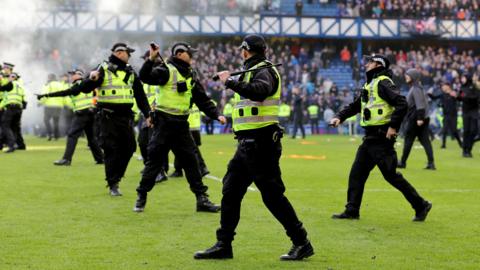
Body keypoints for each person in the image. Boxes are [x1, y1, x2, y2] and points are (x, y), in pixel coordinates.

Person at [194, 34, 313, 261]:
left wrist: (230, 81)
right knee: (230, 190)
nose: (241, 53)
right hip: (248, 145)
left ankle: (301, 242)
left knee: (272, 196)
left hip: (262, 144)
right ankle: (224, 244)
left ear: (246, 50)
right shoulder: (254, 70)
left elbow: (260, 91)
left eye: (242, 50)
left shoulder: (265, 70)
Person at [329, 54, 432, 221]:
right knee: (357, 174)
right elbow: (356, 106)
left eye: (370, 61)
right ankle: (352, 210)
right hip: (371, 138)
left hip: (381, 138)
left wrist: (393, 127)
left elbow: (402, 103)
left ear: (378, 64)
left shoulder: (383, 82)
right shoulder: (370, 84)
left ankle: (421, 205)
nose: (367, 64)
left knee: (391, 176)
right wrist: (339, 117)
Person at [41, 43, 151, 196]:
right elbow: (85, 88)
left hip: (126, 117)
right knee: (111, 149)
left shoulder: (130, 72)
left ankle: (116, 176)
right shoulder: (103, 68)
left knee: (130, 147)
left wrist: (148, 114)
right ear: (119, 53)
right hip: (108, 116)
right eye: (128, 53)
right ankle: (113, 183)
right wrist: (92, 80)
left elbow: (140, 96)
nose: (130, 56)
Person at [133, 42, 225, 213]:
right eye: (190, 53)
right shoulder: (165, 70)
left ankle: (202, 200)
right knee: (154, 163)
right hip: (163, 125)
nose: (193, 56)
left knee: (192, 163)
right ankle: (142, 195)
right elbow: (145, 77)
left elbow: (201, 99)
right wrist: (151, 60)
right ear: (181, 54)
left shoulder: (191, 74)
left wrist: (216, 114)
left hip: (182, 125)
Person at [36, 69, 104, 165]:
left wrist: (45, 95)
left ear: (79, 75)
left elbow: (64, 92)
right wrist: (45, 95)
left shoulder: (80, 84)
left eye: (73, 74)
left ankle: (66, 159)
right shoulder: (85, 83)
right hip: (89, 113)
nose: (71, 76)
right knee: (91, 138)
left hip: (82, 113)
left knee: (72, 135)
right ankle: (100, 158)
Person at [397, 68, 436, 170]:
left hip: (416, 118)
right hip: (420, 117)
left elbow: (420, 105)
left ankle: (403, 162)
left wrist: (420, 118)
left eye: (408, 75)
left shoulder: (416, 89)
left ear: (413, 77)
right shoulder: (417, 87)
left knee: (409, 140)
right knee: (425, 141)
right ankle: (431, 163)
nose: (406, 76)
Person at [170, 104, 210, 178]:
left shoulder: (184, 98)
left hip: (187, 126)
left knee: (191, 149)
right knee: (179, 147)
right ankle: (178, 170)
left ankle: (202, 167)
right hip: (194, 126)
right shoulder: (194, 98)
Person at [428, 82, 462, 149]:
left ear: (448, 86)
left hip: (453, 115)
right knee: (445, 130)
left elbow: (460, 99)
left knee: (454, 130)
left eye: (444, 86)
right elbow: (434, 98)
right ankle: (443, 145)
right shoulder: (442, 95)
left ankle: (460, 143)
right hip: (446, 115)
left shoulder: (453, 93)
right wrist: (429, 93)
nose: (442, 87)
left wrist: (456, 96)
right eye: (442, 86)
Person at [0, 72, 26, 152]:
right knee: (14, 127)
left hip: (11, 107)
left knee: (5, 126)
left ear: (14, 78)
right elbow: (23, 99)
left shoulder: (11, 84)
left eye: (11, 76)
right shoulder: (21, 86)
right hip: (19, 108)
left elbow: (2, 89)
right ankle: (14, 144)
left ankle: (11, 145)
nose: (9, 78)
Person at [457, 73, 479, 157]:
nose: (462, 79)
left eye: (464, 77)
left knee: (474, 130)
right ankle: (465, 150)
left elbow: (476, 96)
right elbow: (460, 98)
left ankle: (469, 148)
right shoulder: (462, 87)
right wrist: (457, 96)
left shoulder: (474, 87)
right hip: (465, 111)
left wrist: (466, 96)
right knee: (466, 131)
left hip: (474, 111)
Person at [39, 74, 64, 140]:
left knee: (46, 120)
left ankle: (50, 134)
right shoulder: (60, 84)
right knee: (56, 121)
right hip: (58, 105)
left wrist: (40, 102)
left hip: (49, 105)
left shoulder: (48, 84)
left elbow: (45, 95)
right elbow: (64, 94)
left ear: (49, 78)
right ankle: (56, 136)